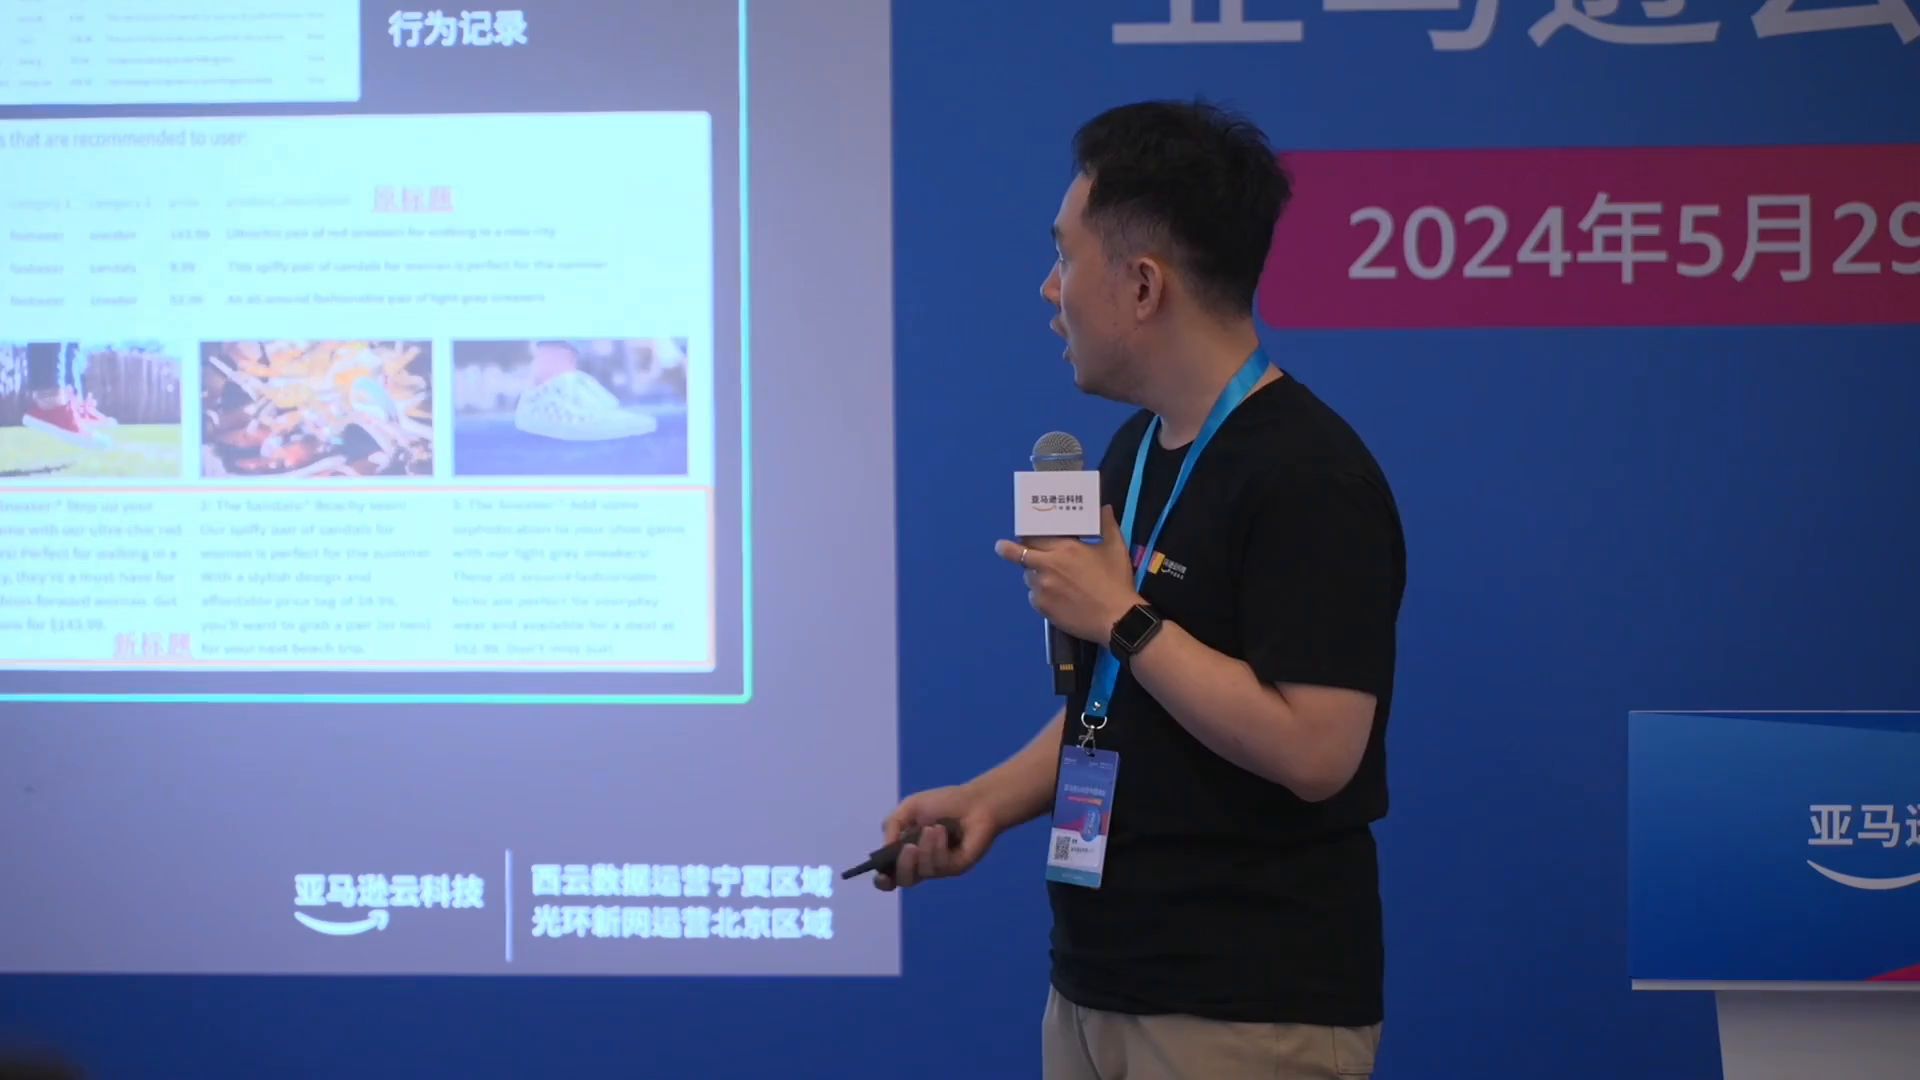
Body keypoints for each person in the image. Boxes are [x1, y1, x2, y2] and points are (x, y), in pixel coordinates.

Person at [874, 100, 1406, 1078]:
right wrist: (987, 801)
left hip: (1243, 1008)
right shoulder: (1133, 450)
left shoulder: (1309, 476)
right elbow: (1119, 704)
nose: (1049, 288)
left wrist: (1122, 618)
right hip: (1096, 986)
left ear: (1145, 284)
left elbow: (1319, 751)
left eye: (1065, 257)